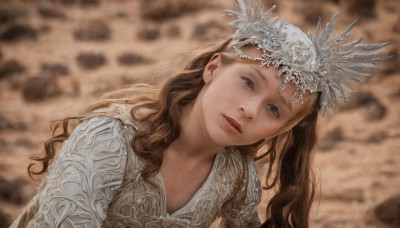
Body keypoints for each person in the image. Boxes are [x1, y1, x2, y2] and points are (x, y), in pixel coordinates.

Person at [11, 0, 393, 227]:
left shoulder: (235, 178)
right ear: (213, 68)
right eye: (248, 82)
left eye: (273, 109)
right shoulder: (111, 139)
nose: (249, 109)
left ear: (285, 127)